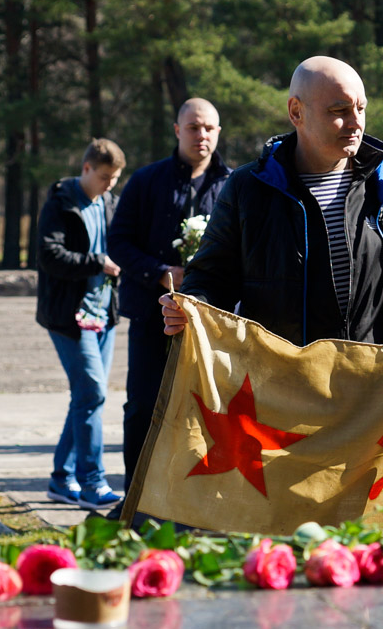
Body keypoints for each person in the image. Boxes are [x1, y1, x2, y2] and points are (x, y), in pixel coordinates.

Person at [159, 56, 383, 355]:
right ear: (296, 112)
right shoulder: (248, 188)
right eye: (339, 111)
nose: (356, 122)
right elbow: (210, 279)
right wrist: (190, 307)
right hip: (287, 389)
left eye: (361, 108)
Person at [107, 98, 232, 500]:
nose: (202, 136)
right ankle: (136, 500)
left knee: (205, 412)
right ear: (178, 130)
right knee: (143, 408)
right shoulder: (146, 181)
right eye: (194, 127)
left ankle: (193, 504)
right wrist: (163, 274)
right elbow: (119, 241)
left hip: (210, 323)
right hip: (150, 315)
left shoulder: (234, 184)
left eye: (210, 128)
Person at [37, 138, 126, 510]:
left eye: (116, 179)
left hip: (103, 315)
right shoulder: (61, 202)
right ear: (86, 168)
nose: (110, 185)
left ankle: (61, 478)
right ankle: (92, 482)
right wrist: (98, 262)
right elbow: (49, 255)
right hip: (69, 318)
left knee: (86, 397)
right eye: (105, 177)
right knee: (92, 394)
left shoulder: (108, 202)